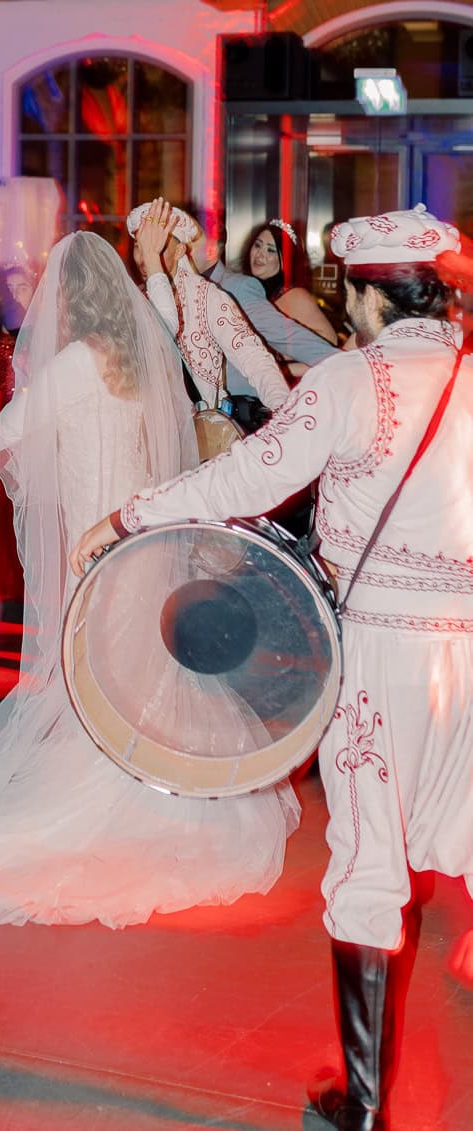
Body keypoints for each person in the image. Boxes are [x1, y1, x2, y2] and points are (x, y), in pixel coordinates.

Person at [73, 204, 473, 1131]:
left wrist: (131, 515)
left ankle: (362, 1106)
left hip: (379, 650)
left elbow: (244, 479)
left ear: (370, 297)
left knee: (371, 861)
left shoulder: (352, 380)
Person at [0, 232, 297, 919]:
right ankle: (154, 773)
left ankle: (108, 780)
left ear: (71, 297)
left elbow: (18, 423)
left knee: (97, 660)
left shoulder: (78, 360)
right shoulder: (136, 355)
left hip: (93, 535)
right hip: (138, 530)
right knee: (140, 656)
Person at [130, 197, 290, 422]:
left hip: (203, 433)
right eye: (139, 247)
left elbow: (254, 358)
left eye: (157, 248)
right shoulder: (133, 299)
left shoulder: (206, 297)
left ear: (180, 251)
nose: (144, 258)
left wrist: (285, 415)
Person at [199, 218, 338, 391]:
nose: (260, 255)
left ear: (285, 260)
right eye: (257, 245)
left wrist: (283, 369)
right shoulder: (242, 288)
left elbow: (327, 348)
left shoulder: (294, 296)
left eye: (271, 250)